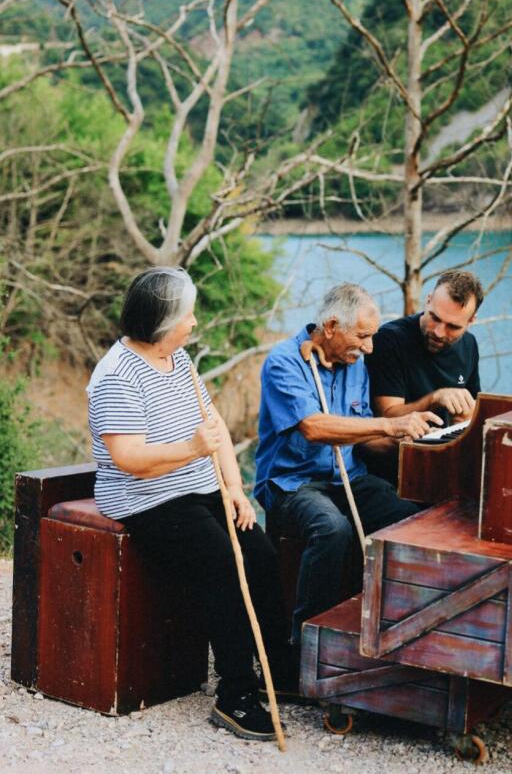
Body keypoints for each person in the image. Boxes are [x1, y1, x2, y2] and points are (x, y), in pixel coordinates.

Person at [87, 266, 293, 742]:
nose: (195, 323)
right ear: (163, 322)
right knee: (222, 563)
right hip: (146, 498)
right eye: (188, 315)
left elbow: (212, 424)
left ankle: (274, 669)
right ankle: (235, 695)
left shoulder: (177, 360)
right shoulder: (117, 375)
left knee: (259, 555)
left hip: (200, 487)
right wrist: (192, 450)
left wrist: (236, 487)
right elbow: (129, 458)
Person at [254, 283, 442, 646]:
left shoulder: (355, 364)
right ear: (330, 327)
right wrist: (388, 423)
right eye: (362, 336)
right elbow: (313, 427)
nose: (369, 346)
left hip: (348, 478)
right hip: (292, 484)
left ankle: (394, 633)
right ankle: (303, 647)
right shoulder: (284, 362)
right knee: (332, 529)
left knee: (412, 518)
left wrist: (413, 441)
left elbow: (363, 435)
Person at [366, 269, 483, 426]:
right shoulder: (389, 339)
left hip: (443, 443)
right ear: (428, 300)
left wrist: (465, 415)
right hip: (399, 447)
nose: (439, 332)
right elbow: (386, 418)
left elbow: (474, 408)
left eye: (453, 327)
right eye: (435, 318)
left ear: (471, 320)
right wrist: (434, 399)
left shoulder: (469, 344)